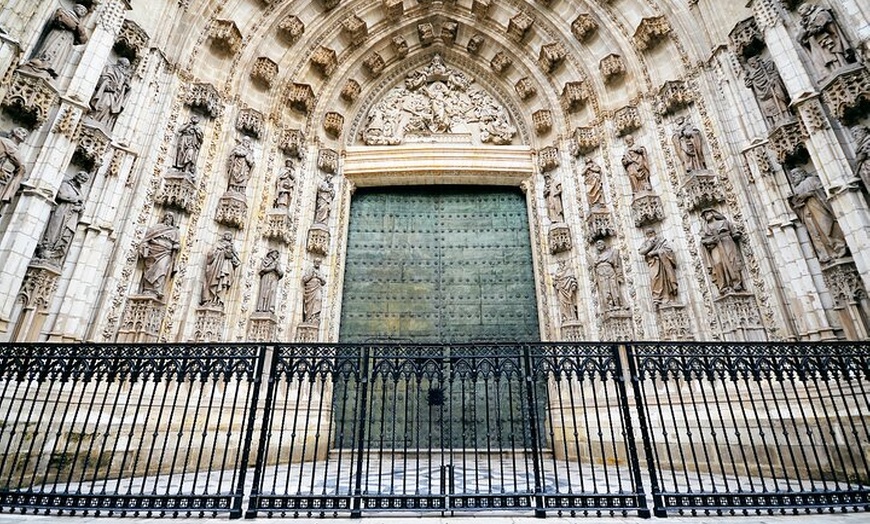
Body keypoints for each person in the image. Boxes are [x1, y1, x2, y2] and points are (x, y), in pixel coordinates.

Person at [789, 168, 848, 263]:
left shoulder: (811, 180)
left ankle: (839, 249)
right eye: (792, 176)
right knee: (816, 233)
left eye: (795, 174)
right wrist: (793, 201)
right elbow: (797, 205)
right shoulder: (797, 188)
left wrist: (808, 194)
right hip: (807, 212)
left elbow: (821, 190)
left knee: (826, 227)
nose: (793, 178)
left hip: (817, 207)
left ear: (802, 173)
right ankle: (826, 255)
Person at [20, 4, 89, 79]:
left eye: (84, 12)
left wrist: (81, 31)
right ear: (75, 7)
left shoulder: (80, 24)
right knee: (49, 49)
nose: (82, 12)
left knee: (59, 57)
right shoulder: (64, 12)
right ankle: (40, 62)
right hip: (57, 34)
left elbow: (84, 40)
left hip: (67, 41)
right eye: (81, 9)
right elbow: (63, 20)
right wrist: (76, 27)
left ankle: (50, 70)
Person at [36, 171, 89, 263]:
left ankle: (55, 254)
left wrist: (80, 208)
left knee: (67, 233)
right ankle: (46, 250)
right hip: (62, 211)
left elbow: (82, 204)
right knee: (54, 230)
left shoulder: (79, 190)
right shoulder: (66, 185)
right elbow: (61, 195)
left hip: (72, 216)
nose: (82, 181)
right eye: (82, 178)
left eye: (84, 180)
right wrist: (76, 199)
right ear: (77, 176)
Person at [797, 4, 854, 76]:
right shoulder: (805, 23)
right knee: (824, 59)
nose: (800, 12)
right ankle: (831, 72)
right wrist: (806, 31)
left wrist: (814, 29)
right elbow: (799, 38)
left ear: (807, 8)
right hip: (818, 44)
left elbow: (825, 21)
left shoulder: (819, 12)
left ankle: (842, 66)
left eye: (801, 9)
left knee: (834, 53)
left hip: (827, 39)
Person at [700, 209, 744, 294]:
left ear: (713, 213)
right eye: (705, 215)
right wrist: (711, 240)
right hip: (715, 246)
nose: (707, 215)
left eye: (708, 213)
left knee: (732, 261)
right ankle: (723, 286)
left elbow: (734, 232)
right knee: (717, 263)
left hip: (727, 242)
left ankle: (736, 283)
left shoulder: (724, 222)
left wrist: (736, 234)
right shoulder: (705, 228)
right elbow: (703, 241)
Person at [138, 212, 180, 299]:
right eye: (166, 215)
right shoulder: (156, 227)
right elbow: (147, 238)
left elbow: (177, 243)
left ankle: (157, 289)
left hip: (166, 253)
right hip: (153, 251)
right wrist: (144, 245)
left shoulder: (174, 231)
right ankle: (148, 289)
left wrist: (176, 246)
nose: (168, 217)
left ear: (173, 219)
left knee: (162, 269)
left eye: (170, 216)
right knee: (150, 269)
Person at [744, 56, 791, 128]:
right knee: (769, 108)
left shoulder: (767, 67)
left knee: (780, 103)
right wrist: (747, 79)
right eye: (751, 65)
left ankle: (786, 116)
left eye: (754, 63)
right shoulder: (752, 76)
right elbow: (748, 84)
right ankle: (775, 123)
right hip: (763, 96)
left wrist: (773, 80)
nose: (753, 66)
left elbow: (775, 74)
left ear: (758, 61)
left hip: (773, 90)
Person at [88, 58, 132, 131]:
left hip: (116, 97)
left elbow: (126, 88)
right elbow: (103, 77)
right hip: (108, 92)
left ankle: (101, 123)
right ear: (119, 64)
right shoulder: (110, 68)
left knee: (109, 110)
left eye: (126, 67)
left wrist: (127, 86)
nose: (124, 68)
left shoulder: (124, 75)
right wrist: (109, 85)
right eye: (123, 65)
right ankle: (94, 118)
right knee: (104, 104)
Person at [638, 228, 679, 306]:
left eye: (651, 232)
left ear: (654, 232)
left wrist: (655, 252)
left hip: (663, 263)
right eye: (648, 233)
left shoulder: (661, 241)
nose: (650, 234)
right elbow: (641, 252)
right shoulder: (646, 243)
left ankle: (667, 297)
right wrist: (650, 246)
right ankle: (657, 297)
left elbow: (668, 250)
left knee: (665, 279)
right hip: (653, 264)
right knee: (654, 278)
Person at [200, 232, 241, 307]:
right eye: (227, 235)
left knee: (223, 283)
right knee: (213, 281)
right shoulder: (218, 244)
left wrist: (231, 255)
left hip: (226, 268)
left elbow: (237, 260)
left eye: (230, 235)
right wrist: (220, 252)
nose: (228, 236)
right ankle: (209, 299)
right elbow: (210, 254)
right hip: (216, 267)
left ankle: (219, 301)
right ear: (224, 236)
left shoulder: (232, 247)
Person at [593, 240, 626, 311]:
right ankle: (609, 305)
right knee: (605, 290)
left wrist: (619, 274)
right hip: (601, 274)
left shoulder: (611, 253)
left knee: (613, 287)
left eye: (601, 243)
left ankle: (617, 304)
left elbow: (616, 265)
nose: (599, 245)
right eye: (597, 244)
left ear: (604, 245)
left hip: (610, 272)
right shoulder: (596, 257)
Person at [0, 127, 28, 205]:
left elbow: (21, 167)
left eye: (25, 134)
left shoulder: (18, 151)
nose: (24, 134)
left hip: (7, 179)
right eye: (21, 131)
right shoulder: (2, 142)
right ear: (14, 132)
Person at [302, 259, 326, 324]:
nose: (317, 263)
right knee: (310, 304)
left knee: (318, 299)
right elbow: (304, 279)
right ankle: (308, 318)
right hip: (310, 288)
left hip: (318, 287)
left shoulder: (321, 271)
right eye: (316, 262)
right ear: (314, 262)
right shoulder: (310, 269)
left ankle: (315, 317)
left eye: (319, 262)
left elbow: (324, 282)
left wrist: (320, 277)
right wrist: (311, 275)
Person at [852, 126, 870, 191]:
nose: (855, 135)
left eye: (857, 132)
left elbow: (861, 158)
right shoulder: (859, 148)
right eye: (853, 135)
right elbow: (858, 161)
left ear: (864, 131)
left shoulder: (868, 141)